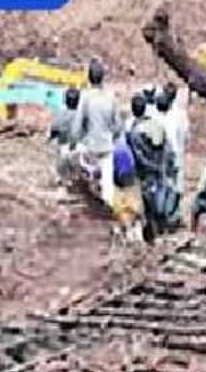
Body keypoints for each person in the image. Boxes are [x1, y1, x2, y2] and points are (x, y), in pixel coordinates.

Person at [126, 98, 178, 240]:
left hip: (145, 172)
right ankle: (161, 229)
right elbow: (168, 149)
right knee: (159, 198)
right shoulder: (156, 125)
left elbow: (137, 155)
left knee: (147, 203)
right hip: (159, 169)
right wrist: (164, 165)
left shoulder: (134, 131)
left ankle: (152, 233)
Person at [76, 59, 122, 205]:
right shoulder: (111, 98)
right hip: (107, 146)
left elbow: (78, 124)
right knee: (108, 184)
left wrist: (79, 139)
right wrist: (112, 137)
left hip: (89, 146)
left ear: (89, 78)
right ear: (103, 77)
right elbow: (118, 126)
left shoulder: (85, 98)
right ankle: (108, 205)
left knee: (82, 167)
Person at [49, 87, 83, 185]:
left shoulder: (59, 113)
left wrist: (50, 138)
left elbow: (53, 131)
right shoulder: (83, 115)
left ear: (65, 100)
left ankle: (60, 177)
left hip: (64, 148)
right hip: (79, 148)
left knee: (55, 149)